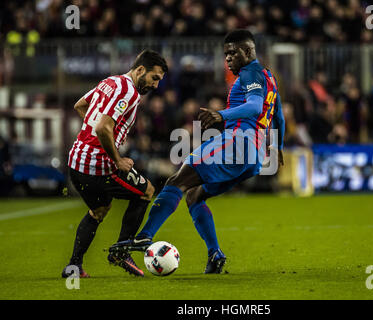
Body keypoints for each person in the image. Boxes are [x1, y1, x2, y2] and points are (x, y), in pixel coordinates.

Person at [110, 29, 285, 274]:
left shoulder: (251, 73)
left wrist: (220, 115)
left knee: (177, 180)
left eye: (232, 53)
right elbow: (277, 114)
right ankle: (215, 254)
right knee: (194, 195)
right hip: (253, 156)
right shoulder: (269, 76)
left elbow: (256, 106)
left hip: (236, 143)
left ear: (247, 51)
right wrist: (278, 146)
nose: (228, 59)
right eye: (225, 54)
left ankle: (144, 236)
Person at [62, 49, 168, 278]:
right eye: (154, 78)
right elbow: (102, 127)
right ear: (140, 70)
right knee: (147, 191)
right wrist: (117, 158)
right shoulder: (128, 91)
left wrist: (106, 132)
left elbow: (80, 106)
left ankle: (74, 266)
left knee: (98, 210)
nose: (156, 86)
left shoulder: (110, 82)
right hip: (97, 165)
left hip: (76, 162)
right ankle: (121, 251)